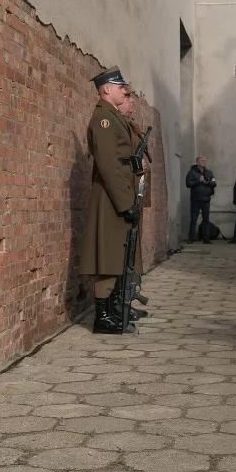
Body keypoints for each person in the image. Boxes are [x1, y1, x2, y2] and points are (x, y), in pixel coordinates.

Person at [73, 67, 140, 336]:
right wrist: (125, 203)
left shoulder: (113, 117)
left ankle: (112, 311)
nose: (125, 90)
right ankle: (102, 317)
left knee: (117, 254)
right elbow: (109, 164)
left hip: (118, 193)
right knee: (108, 255)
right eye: (120, 86)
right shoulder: (104, 119)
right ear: (106, 89)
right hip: (111, 196)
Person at [186, 156, 216, 243]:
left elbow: (214, 183)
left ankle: (206, 239)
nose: (203, 162)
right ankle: (191, 238)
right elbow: (188, 184)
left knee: (206, 219)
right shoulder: (192, 172)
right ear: (197, 162)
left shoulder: (209, 172)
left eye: (205, 160)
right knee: (193, 219)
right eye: (201, 160)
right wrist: (198, 181)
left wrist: (207, 182)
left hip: (206, 199)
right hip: (196, 199)